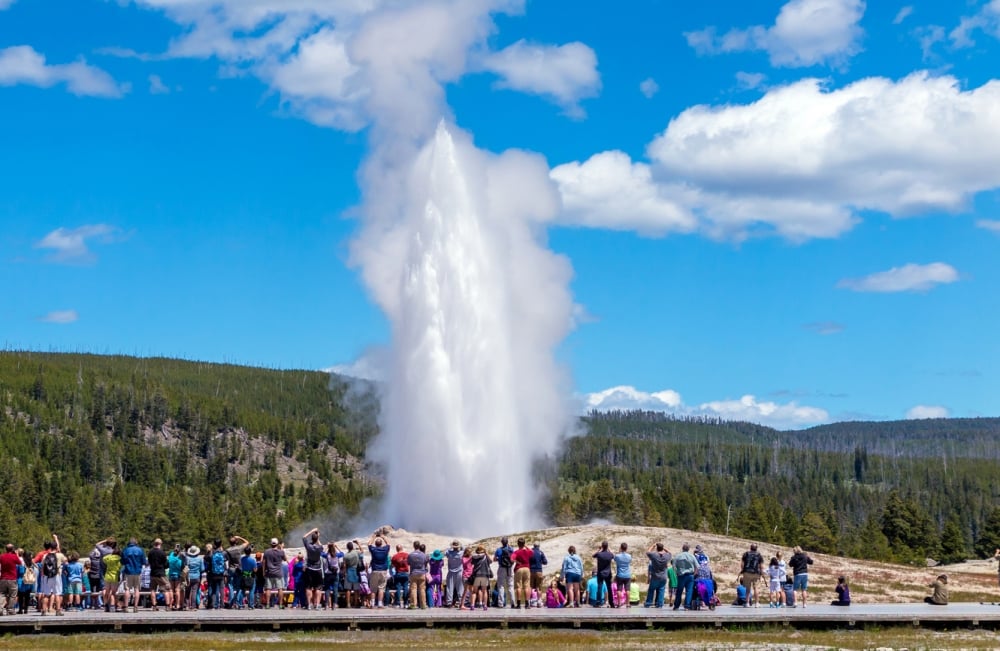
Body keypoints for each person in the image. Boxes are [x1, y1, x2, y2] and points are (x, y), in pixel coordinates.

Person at [121, 537, 146, 613]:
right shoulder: (140, 550)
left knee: (127, 589)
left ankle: (126, 607)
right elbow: (144, 561)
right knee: (137, 589)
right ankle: (135, 607)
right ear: (136, 542)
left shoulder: (125, 550)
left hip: (128, 572)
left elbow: (122, 562)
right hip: (137, 572)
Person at [367, 533, 391, 609]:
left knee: (373, 588)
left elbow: (369, 544)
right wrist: (383, 537)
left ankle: (372, 604)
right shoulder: (385, 549)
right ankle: (380, 604)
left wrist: (373, 537)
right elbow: (388, 543)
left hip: (375, 570)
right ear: (381, 544)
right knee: (381, 588)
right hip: (383, 570)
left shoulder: (373, 550)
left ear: (376, 544)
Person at [643, 542, 671, 608]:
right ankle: (660, 603)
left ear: (657, 548)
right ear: (662, 548)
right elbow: (670, 553)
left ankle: (648, 603)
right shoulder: (666, 556)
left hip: (655, 575)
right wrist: (664, 548)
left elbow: (648, 552)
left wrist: (653, 546)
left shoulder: (654, 555)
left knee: (651, 589)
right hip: (663, 576)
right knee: (661, 589)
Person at [671, 543, 697, 611]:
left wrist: (677, 572)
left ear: (682, 548)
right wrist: (694, 574)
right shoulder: (692, 556)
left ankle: (676, 606)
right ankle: (687, 606)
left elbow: (673, 566)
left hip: (681, 575)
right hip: (690, 575)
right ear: (688, 549)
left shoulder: (678, 556)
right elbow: (697, 566)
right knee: (689, 591)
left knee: (679, 591)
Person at [147, 538, 171, 611]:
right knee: (166, 589)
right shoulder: (162, 553)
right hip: (161, 573)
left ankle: (154, 605)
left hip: (153, 573)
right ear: (160, 544)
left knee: (153, 590)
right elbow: (166, 565)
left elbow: (149, 562)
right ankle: (167, 606)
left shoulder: (150, 552)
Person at [739, 543, 764, 608]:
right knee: (756, 588)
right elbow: (761, 565)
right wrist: (761, 573)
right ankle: (757, 603)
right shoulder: (759, 555)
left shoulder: (746, 554)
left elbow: (742, 563)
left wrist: (742, 570)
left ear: (750, 547)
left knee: (748, 588)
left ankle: (747, 603)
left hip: (747, 572)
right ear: (756, 548)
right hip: (755, 573)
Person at [511, 538, 534, 609]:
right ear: (524, 544)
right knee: (526, 586)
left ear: (518, 544)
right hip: (527, 568)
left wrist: (517, 562)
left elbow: (511, 559)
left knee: (518, 586)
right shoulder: (527, 551)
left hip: (519, 568)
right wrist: (526, 546)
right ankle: (527, 604)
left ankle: (518, 604)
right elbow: (532, 552)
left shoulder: (516, 552)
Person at [493, 537, 515, 608]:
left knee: (501, 586)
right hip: (509, 568)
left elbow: (494, 559)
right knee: (510, 586)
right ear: (507, 542)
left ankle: (500, 603)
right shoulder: (511, 549)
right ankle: (513, 603)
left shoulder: (499, 550)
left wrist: (499, 559)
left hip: (501, 568)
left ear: (502, 542)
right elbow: (513, 559)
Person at [592, 541, 615, 609]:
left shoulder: (599, 554)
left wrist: (599, 549)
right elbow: (613, 555)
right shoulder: (609, 554)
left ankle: (598, 602)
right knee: (609, 588)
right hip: (608, 573)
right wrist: (609, 549)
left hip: (601, 573)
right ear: (607, 546)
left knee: (600, 587)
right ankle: (611, 603)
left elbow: (593, 555)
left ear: (602, 546)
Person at [468, 545, 492, 611]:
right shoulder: (485, 556)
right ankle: (485, 606)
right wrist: (486, 554)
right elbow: (490, 561)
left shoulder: (474, 557)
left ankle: (472, 605)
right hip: (485, 575)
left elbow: (471, 563)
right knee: (484, 591)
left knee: (474, 591)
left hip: (477, 575)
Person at [0, 543, 22, 615]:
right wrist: (16, 555)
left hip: (3, 578)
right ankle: (10, 609)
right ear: (12, 549)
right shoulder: (14, 557)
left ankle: (0, 608)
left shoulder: (2, 556)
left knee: (2, 594)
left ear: (5, 549)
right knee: (13, 595)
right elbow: (20, 563)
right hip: (12, 578)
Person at [101, 541, 122, 613]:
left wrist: (110, 555)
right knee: (113, 593)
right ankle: (112, 606)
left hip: (107, 576)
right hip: (115, 577)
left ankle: (106, 605)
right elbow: (120, 567)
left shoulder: (108, 558)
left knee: (107, 591)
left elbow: (103, 559)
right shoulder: (119, 559)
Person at [408, 540, 429, 609]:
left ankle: (413, 604)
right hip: (422, 573)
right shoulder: (424, 555)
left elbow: (408, 563)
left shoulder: (410, 555)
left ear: (414, 546)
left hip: (413, 572)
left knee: (413, 589)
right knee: (422, 589)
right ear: (419, 546)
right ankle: (423, 604)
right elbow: (426, 563)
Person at [444, 540, 463, 608]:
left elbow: (445, 551)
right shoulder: (461, 553)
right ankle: (461, 602)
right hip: (459, 572)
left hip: (451, 572)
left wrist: (450, 548)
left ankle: (449, 602)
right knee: (460, 588)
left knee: (450, 587)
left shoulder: (449, 553)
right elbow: (463, 549)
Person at [167, 544, 186, 611]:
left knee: (171, 590)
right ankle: (177, 605)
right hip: (177, 575)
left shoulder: (171, 556)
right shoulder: (180, 559)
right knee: (177, 590)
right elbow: (182, 567)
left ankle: (170, 604)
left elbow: (168, 563)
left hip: (171, 574)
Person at [390, 544, 409, 609]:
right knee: (405, 587)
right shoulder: (407, 555)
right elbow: (409, 563)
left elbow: (392, 565)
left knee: (398, 588)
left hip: (398, 573)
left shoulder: (394, 557)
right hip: (406, 573)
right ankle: (406, 603)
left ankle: (398, 603)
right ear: (402, 548)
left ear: (396, 549)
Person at [322, 543, 341, 609]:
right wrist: (336, 546)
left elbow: (321, 553)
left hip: (328, 573)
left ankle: (327, 604)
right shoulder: (337, 555)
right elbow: (342, 553)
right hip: (335, 574)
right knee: (335, 589)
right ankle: (334, 604)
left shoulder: (327, 555)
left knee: (327, 589)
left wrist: (327, 547)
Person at [185, 544, 203, 610]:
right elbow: (202, 569)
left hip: (189, 577)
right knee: (194, 592)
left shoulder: (187, 559)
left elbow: (185, 567)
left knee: (187, 591)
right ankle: (193, 606)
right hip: (196, 576)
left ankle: (186, 605)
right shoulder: (200, 559)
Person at [613, 542, 632, 608]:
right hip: (627, 574)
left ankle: (619, 603)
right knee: (627, 590)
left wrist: (619, 552)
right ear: (626, 548)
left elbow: (615, 559)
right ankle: (628, 603)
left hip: (620, 574)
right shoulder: (629, 556)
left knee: (619, 589)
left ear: (621, 547)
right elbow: (629, 561)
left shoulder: (618, 556)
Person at [17, 550, 36, 615]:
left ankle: (20, 609)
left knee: (20, 596)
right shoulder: (31, 563)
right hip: (29, 581)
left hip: (21, 580)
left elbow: (20, 571)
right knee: (27, 596)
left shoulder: (21, 562)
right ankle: (26, 609)